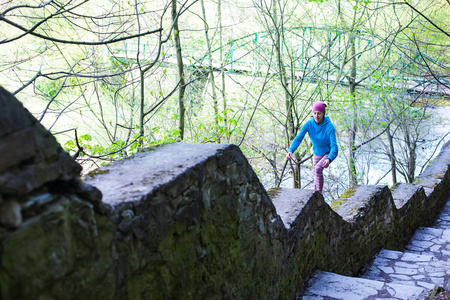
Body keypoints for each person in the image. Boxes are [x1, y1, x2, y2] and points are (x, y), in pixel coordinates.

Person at [286, 101, 338, 193]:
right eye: (314, 113)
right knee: (316, 174)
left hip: (328, 152)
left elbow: (334, 146)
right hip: (317, 153)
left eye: (319, 113)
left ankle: (319, 195)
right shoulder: (309, 124)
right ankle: (315, 195)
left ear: (323, 114)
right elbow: (298, 138)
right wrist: (291, 150)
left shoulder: (330, 127)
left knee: (318, 169)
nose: (316, 116)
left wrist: (329, 159)